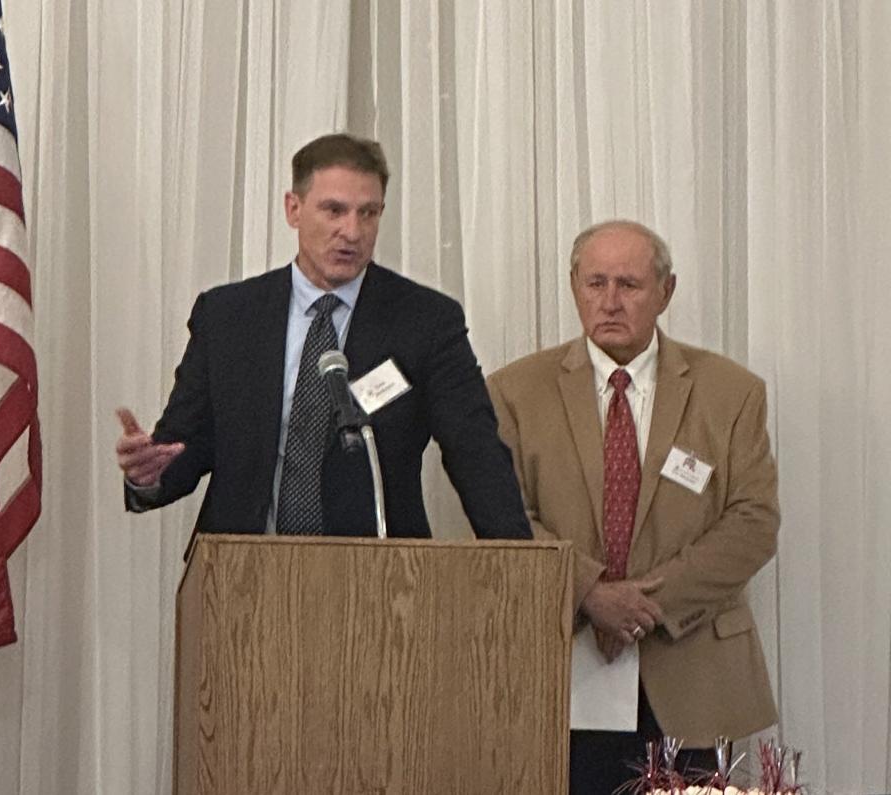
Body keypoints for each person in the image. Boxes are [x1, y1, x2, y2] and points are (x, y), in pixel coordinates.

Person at [116, 132, 531, 543]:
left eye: (368, 214)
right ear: (293, 209)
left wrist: (521, 565)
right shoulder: (228, 316)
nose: (352, 231)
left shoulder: (425, 321)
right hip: (241, 579)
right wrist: (150, 475)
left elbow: (475, 453)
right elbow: (186, 446)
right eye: (334, 210)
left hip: (378, 580)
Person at [488, 220, 778, 793]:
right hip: (561, 675)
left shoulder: (731, 392)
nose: (610, 302)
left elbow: (753, 523)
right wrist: (589, 593)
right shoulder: (513, 391)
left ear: (666, 292)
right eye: (595, 283)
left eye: (629, 284)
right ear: (574, 285)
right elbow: (498, 517)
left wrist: (643, 605)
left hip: (694, 675)